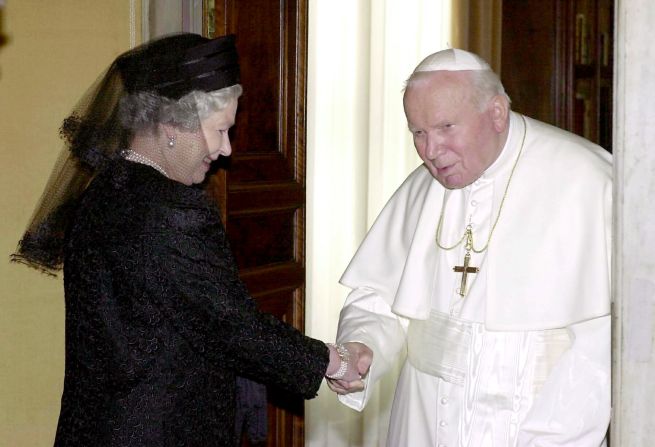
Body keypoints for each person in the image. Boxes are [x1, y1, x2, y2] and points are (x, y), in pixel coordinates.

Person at [12, 33, 364, 446]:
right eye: (220, 130)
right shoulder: (170, 208)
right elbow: (232, 327)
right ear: (172, 125)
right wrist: (333, 361)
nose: (226, 149)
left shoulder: (104, 190)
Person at [327, 48, 612, 446]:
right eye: (418, 133)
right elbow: (376, 295)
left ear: (496, 113)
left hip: (533, 425)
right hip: (422, 422)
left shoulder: (586, 180)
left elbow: (599, 350)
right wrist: (362, 345)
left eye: (446, 127)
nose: (430, 151)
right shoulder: (423, 188)